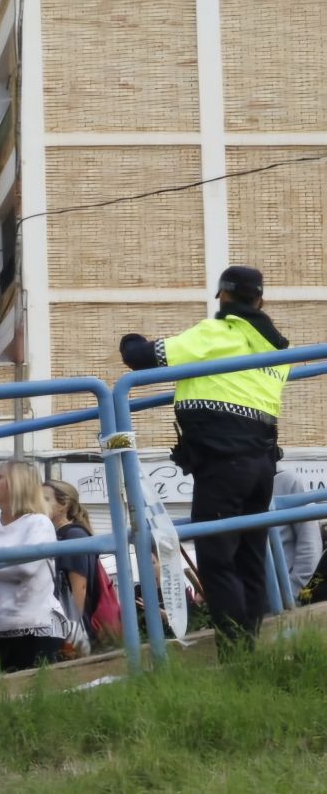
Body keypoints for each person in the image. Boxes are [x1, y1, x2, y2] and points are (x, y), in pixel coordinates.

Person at [120, 266, 289, 652]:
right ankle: (249, 647)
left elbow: (145, 358)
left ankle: (235, 653)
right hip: (262, 463)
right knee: (250, 556)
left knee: (216, 559)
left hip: (223, 463)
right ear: (260, 300)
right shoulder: (278, 349)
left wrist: (129, 340)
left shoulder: (218, 333)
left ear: (223, 298)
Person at [0, 460, 66, 674]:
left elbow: (25, 568)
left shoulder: (38, 523)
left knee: (35, 697)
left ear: (17, 483)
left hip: (34, 628)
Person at [44, 479, 99, 632]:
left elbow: (79, 588)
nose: (39, 504)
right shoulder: (51, 534)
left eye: (46, 499)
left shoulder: (73, 535)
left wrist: (72, 629)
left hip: (71, 625)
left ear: (63, 505)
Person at [269, 469, 322, 612]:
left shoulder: (286, 481)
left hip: (292, 596)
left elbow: (311, 545)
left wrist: (293, 592)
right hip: (255, 600)